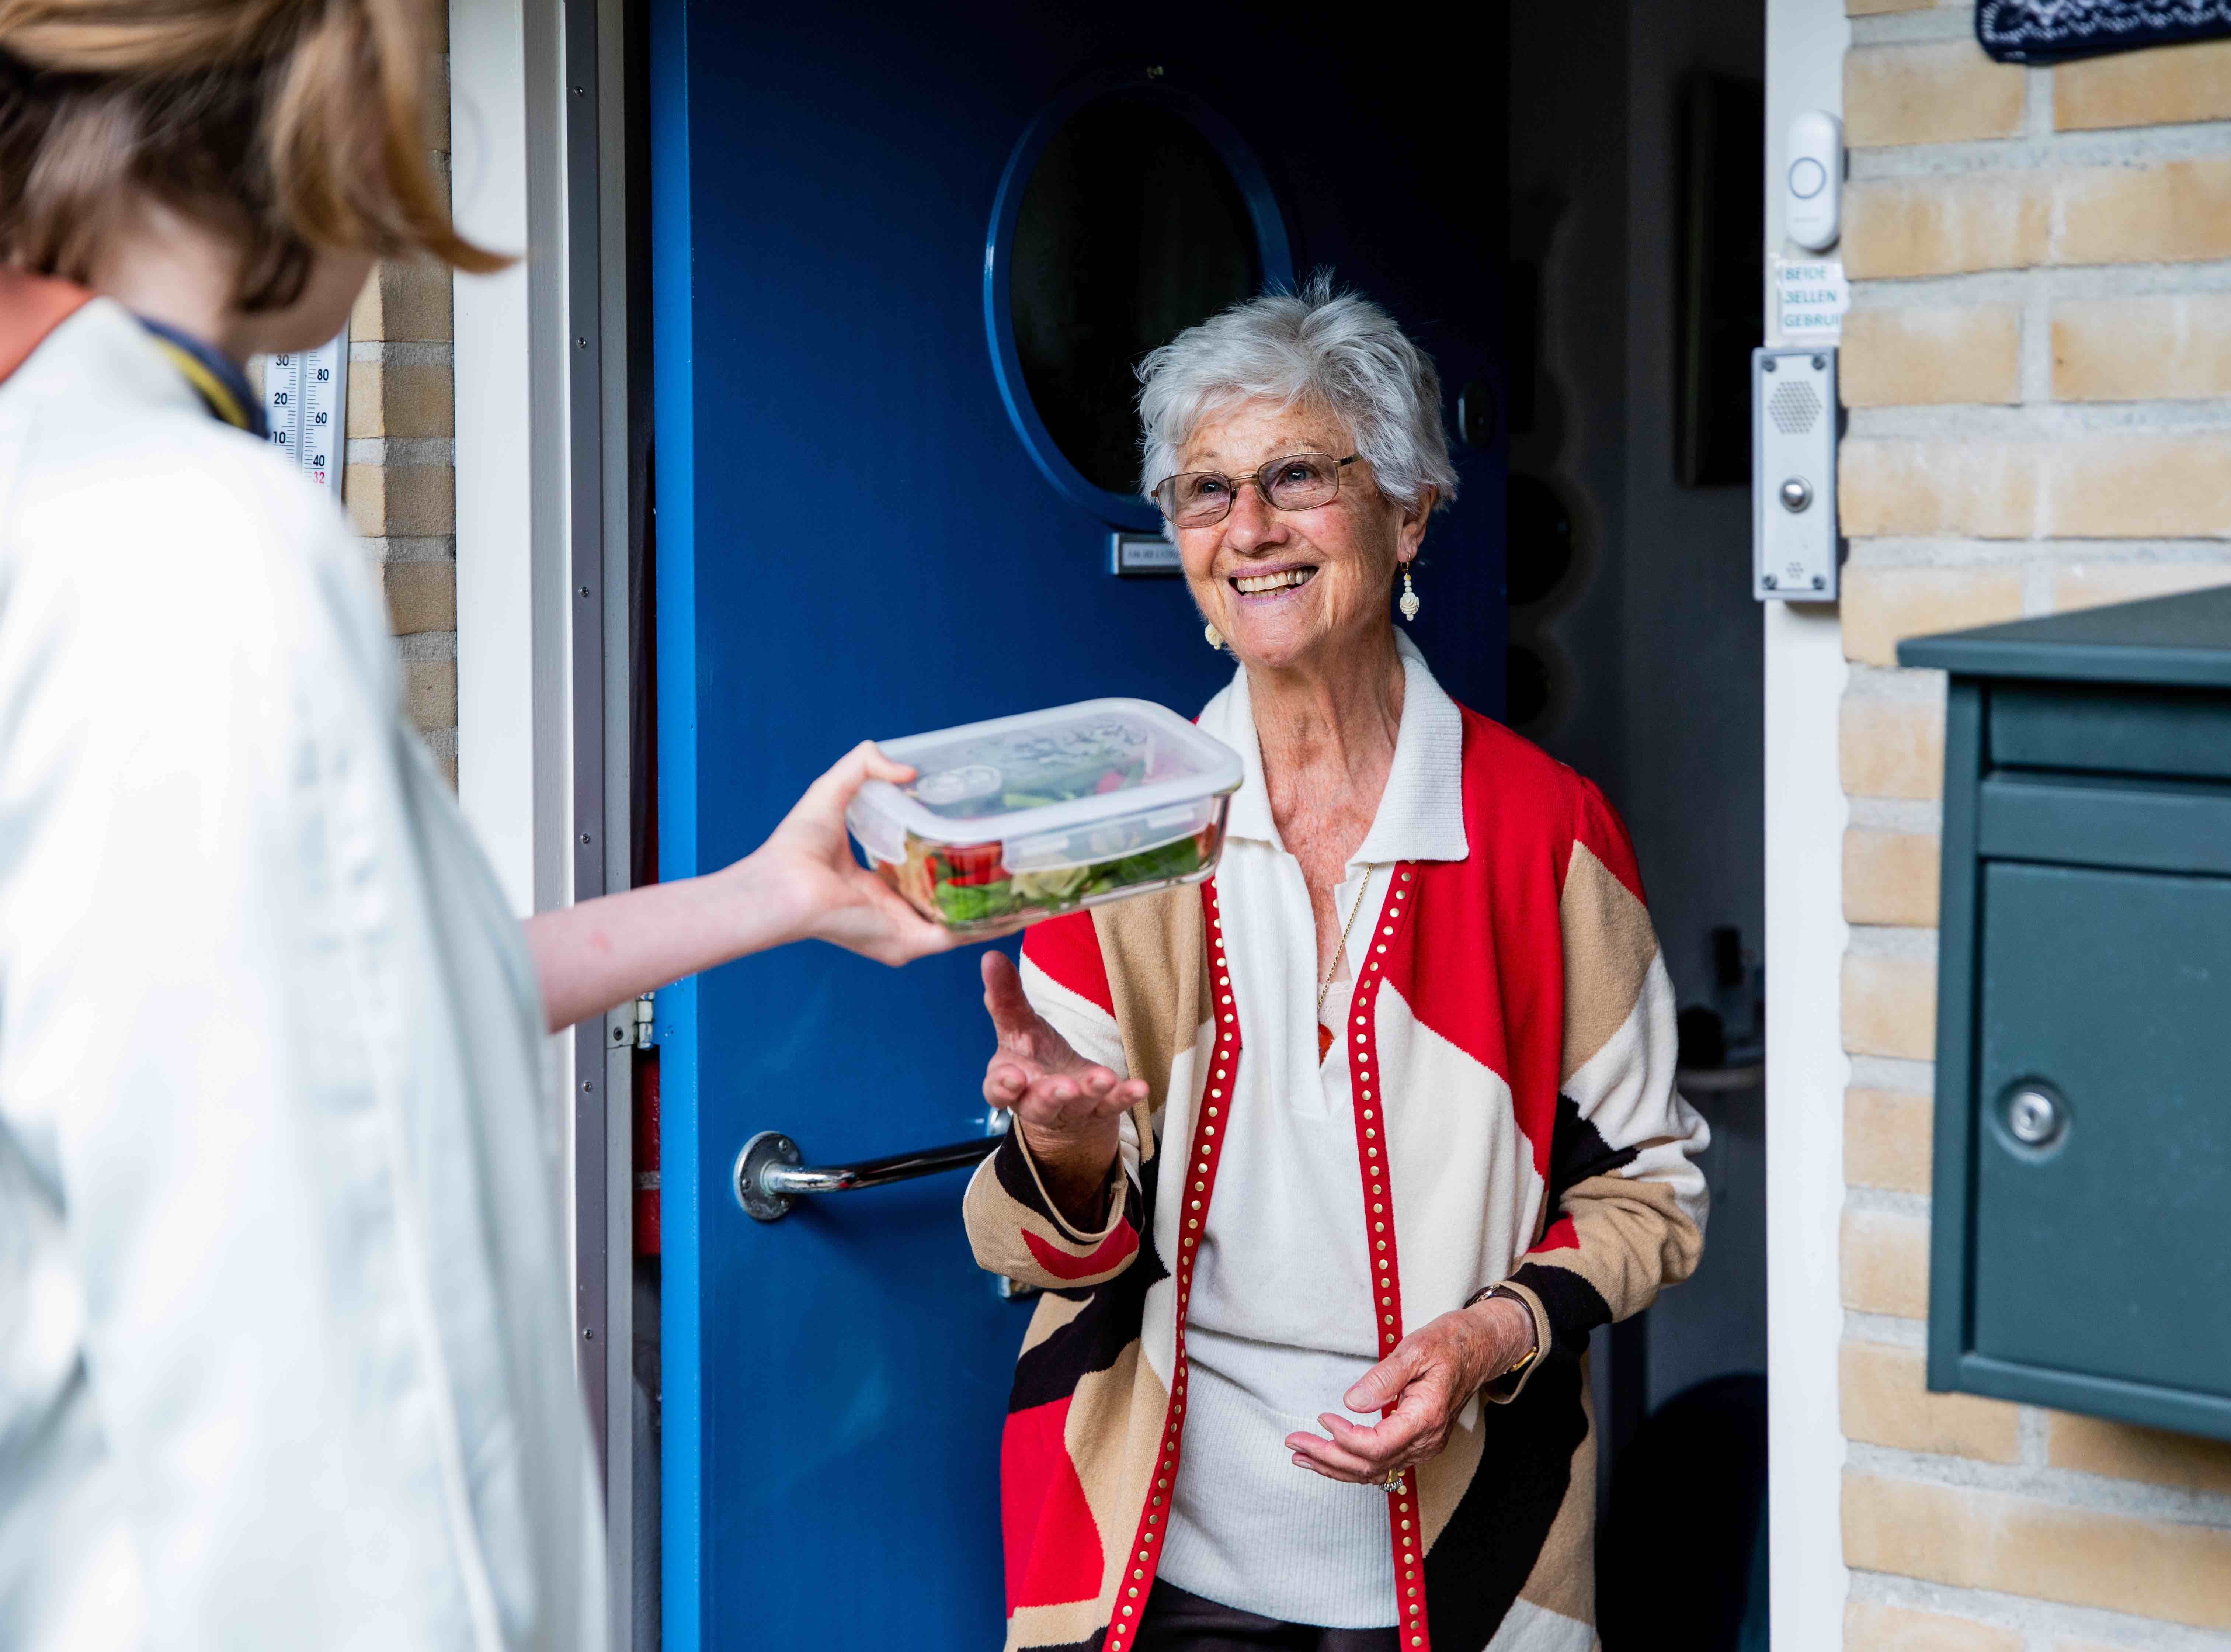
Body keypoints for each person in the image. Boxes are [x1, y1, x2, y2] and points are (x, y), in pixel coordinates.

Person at [0, 4, 966, 1647]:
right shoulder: (198, 554)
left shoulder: (77, 497)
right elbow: (340, 1463)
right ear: (326, 101)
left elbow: (342, 1013)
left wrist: (773, 894)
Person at [964, 277, 1711, 1652]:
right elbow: (1031, 1245)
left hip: (1473, 1560)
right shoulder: (1126, 833)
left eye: (1298, 476)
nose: (1249, 528)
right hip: (1148, 1563)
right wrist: (1061, 1151)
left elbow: (1651, 1194)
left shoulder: (1541, 833)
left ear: (1410, 510)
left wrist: (1487, 1339)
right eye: (1206, 491)